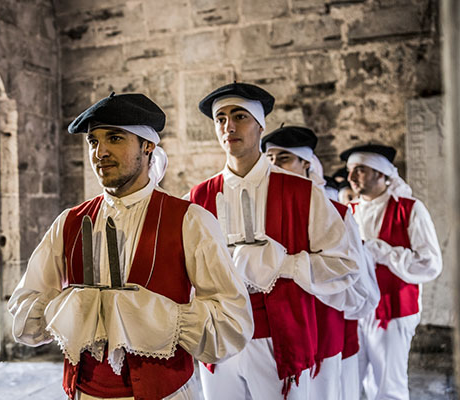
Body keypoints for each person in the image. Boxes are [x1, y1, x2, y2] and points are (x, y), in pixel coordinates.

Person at [8, 92, 254, 400]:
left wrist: (157, 315)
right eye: (93, 142)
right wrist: (66, 307)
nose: (100, 152)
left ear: (148, 146)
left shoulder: (189, 220)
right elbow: (23, 314)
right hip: (83, 393)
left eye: (114, 138)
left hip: (164, 393)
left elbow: (232, 324)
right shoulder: (69, 222)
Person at [188, 82, 362, 400]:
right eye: (221, 119)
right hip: (220, 338)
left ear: (260, 124)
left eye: (239, 116)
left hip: (279, 336)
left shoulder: (301, 192)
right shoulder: (199, 197)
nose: (229, 126)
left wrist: (284, 263)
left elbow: (346, 265)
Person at [262, 126, 379, 400]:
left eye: (283, 158)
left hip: (322, 321)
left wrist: (299, 271)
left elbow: (355, 281)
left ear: (306, 163)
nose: (274, 165)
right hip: (279, 328)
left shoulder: (335, 212)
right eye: (269, 159)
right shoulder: (261, 215)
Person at [341, 143, 443, 400]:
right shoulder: (347, 212)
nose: (351, 177)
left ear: (381, 173)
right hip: (354, 311)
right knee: (348, 381)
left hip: (393, 309)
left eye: (360, 170)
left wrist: (383, 252)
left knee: (388, 385)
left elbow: (429, 262)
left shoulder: (409, 209)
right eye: (350, 170)